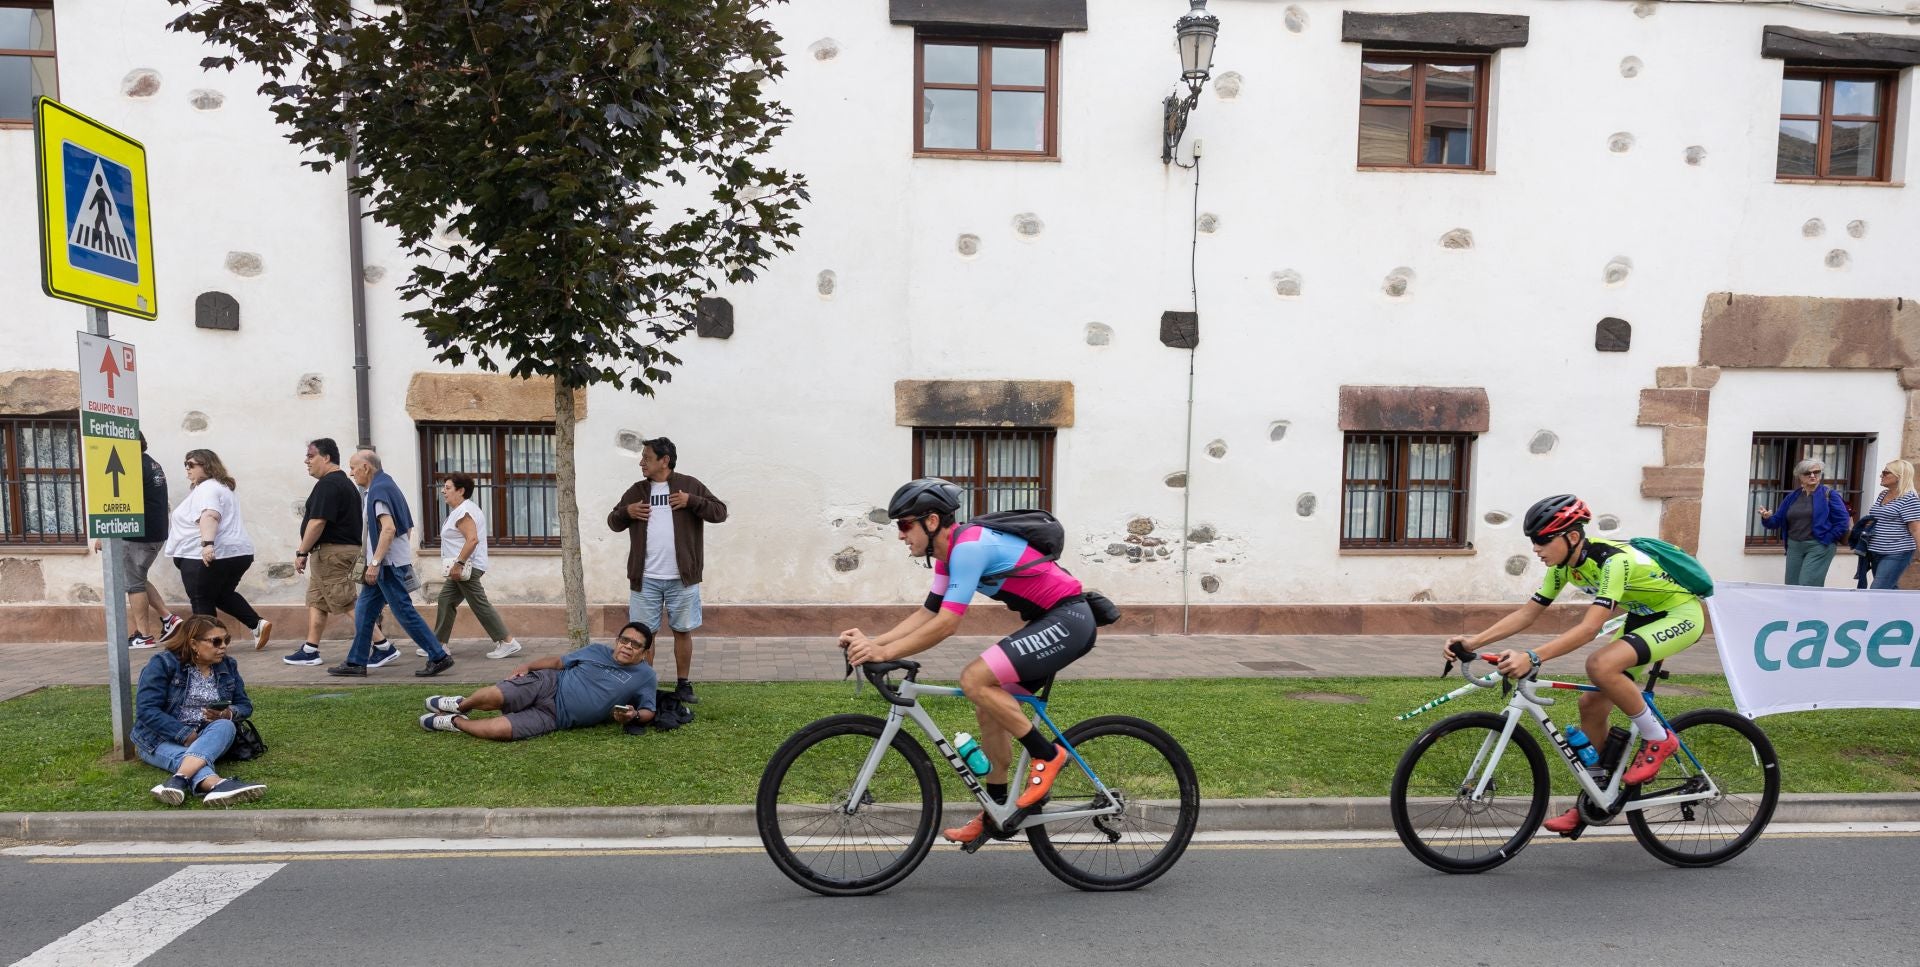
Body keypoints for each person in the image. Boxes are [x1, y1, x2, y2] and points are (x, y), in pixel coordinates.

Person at [841, 478, 1097, 846]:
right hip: (1052, 621)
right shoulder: (947, 556)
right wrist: (873, 642)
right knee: (987, 707)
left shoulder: (969, 547)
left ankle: (1048, 754)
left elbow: (948, 623)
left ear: (931, 522)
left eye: (904, 524)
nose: (900, 535)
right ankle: (996, 811)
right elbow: (929, 613)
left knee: (974, 679)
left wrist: (884, 653)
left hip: (1069, 620)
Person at [1441, 495, 1705, 835]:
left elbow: (1589, 628)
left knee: (1600, 665)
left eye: (1543, 540)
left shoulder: (1613, 562)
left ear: (1573, 537)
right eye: (1533, 541)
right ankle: (1597, 797)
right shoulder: (1563, 567)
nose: (1536, 548)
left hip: (1680, 614)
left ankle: (1658, 738)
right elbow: (1528, 613)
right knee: (1591, 703)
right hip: (1642, 617)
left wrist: (1533, 657)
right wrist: (1473, 642)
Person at [607, 437, 727, 704]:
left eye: (647, 458)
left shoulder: (689, 486)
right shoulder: (637, 490)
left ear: (665, 460)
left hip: (682, 578)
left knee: (682, 630)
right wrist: (627, 511)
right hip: (645, 578)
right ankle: (644, 684)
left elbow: (720, 512)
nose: (641, 462)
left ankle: (683, 685)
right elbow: (613, 522)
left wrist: (692, 501)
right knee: (643, 635)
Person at [325, 449, 454, 677]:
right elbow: (408, 526)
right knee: (364, 611)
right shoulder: (387, 485)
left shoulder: (378, 490)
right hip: (390, 562)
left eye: (354, 467)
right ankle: (356, 662)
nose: (351, 473)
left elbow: (389, 528)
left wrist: (375, 563)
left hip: (387, 565)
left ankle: (438, 655)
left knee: (403, 611)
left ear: (366, 467)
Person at [419, 622, 658, 739]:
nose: (627, 646)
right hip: (548, 683)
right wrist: (527, 665)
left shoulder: (645, 675)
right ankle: (461, 705)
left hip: (556, 717)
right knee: (494, 696)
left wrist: (633, 715)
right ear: (617, 640)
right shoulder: (596, 650)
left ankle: (454, 721)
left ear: (645, 652)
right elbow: (558, 662)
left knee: (499, 730)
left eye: (635, 644)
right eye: (624, 640)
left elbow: (648, 710)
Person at [132, 614, 268, 807]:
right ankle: (217, 784)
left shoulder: (227, 665)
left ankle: (178, 780)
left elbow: (245, 705)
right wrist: (185, 735)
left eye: (226, 640)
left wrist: (226, 713)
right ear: (193, 644)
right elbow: (147, 710)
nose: (223, 646)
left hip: (208, 736)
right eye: (216, 641)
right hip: (158, 739)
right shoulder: (163, 664)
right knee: (186, 756)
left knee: (225, 726)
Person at [287, 437, 391, 665]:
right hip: (332, 553)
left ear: (326, 458)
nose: (306, 461)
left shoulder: (329, 484)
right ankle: (310, 649)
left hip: (333, 554)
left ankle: (383, 646)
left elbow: (317, 522)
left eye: (311, 456)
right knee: (318, 600)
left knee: (346, 602)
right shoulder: (343, 483)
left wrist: (301, 552)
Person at [163, 449, 272, 650]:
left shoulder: (208, 488)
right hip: (238, 553)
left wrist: (207, 545)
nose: (187, 468)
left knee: (201, 599)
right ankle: (257, 624)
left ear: (207, 465)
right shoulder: (222, 488)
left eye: (191, 464)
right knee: (222, 594)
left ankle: (209, 647)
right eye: (185, 464)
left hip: (206, 554)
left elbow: (210, 515)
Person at [95, 432, 182, 648]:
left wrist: (105, 533)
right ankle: (168, 618)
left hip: (137, 535)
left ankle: (144, 636)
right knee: (138, 578)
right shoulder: (150, 463)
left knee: (134, 584)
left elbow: (120, 502)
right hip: (155, 532)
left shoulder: (131, 466)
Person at [432, 473, 522, 659]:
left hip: (466, 568)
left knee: (479, 604)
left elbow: (472, 540)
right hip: (462, 568)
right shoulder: (461, 510)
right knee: (446, 600)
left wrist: (459, 564)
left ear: (461, 490)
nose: (443, 491)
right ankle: (439, 645)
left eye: (448, 488)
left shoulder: (464, 511)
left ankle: (507, 641)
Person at [1755, 458, 1850, 587]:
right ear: (1800, 476)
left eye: (1816, 472)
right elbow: (1776, 521)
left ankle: (1810, 608)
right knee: (1792, 586)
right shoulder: (1793, 496)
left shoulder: (1830, 495)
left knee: (1808, 584)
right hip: (1794, 546)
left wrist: (1827, 539)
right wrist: (1766, 518)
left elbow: (1842, 522)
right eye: (1807, 473)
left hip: (1818, 545)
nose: (1812, 475)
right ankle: (1793, 608)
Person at [1864, 459, 1920, 589]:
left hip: (1897, 552)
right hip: (1876, 551)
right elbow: (1880, 517)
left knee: (1878, 589)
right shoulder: (1883, 494)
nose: (1881, 475)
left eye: (1885, 472)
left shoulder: (1909, 499)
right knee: (1889, 589)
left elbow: (1916, 529)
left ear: (1899, 476)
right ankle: (1900, 610)